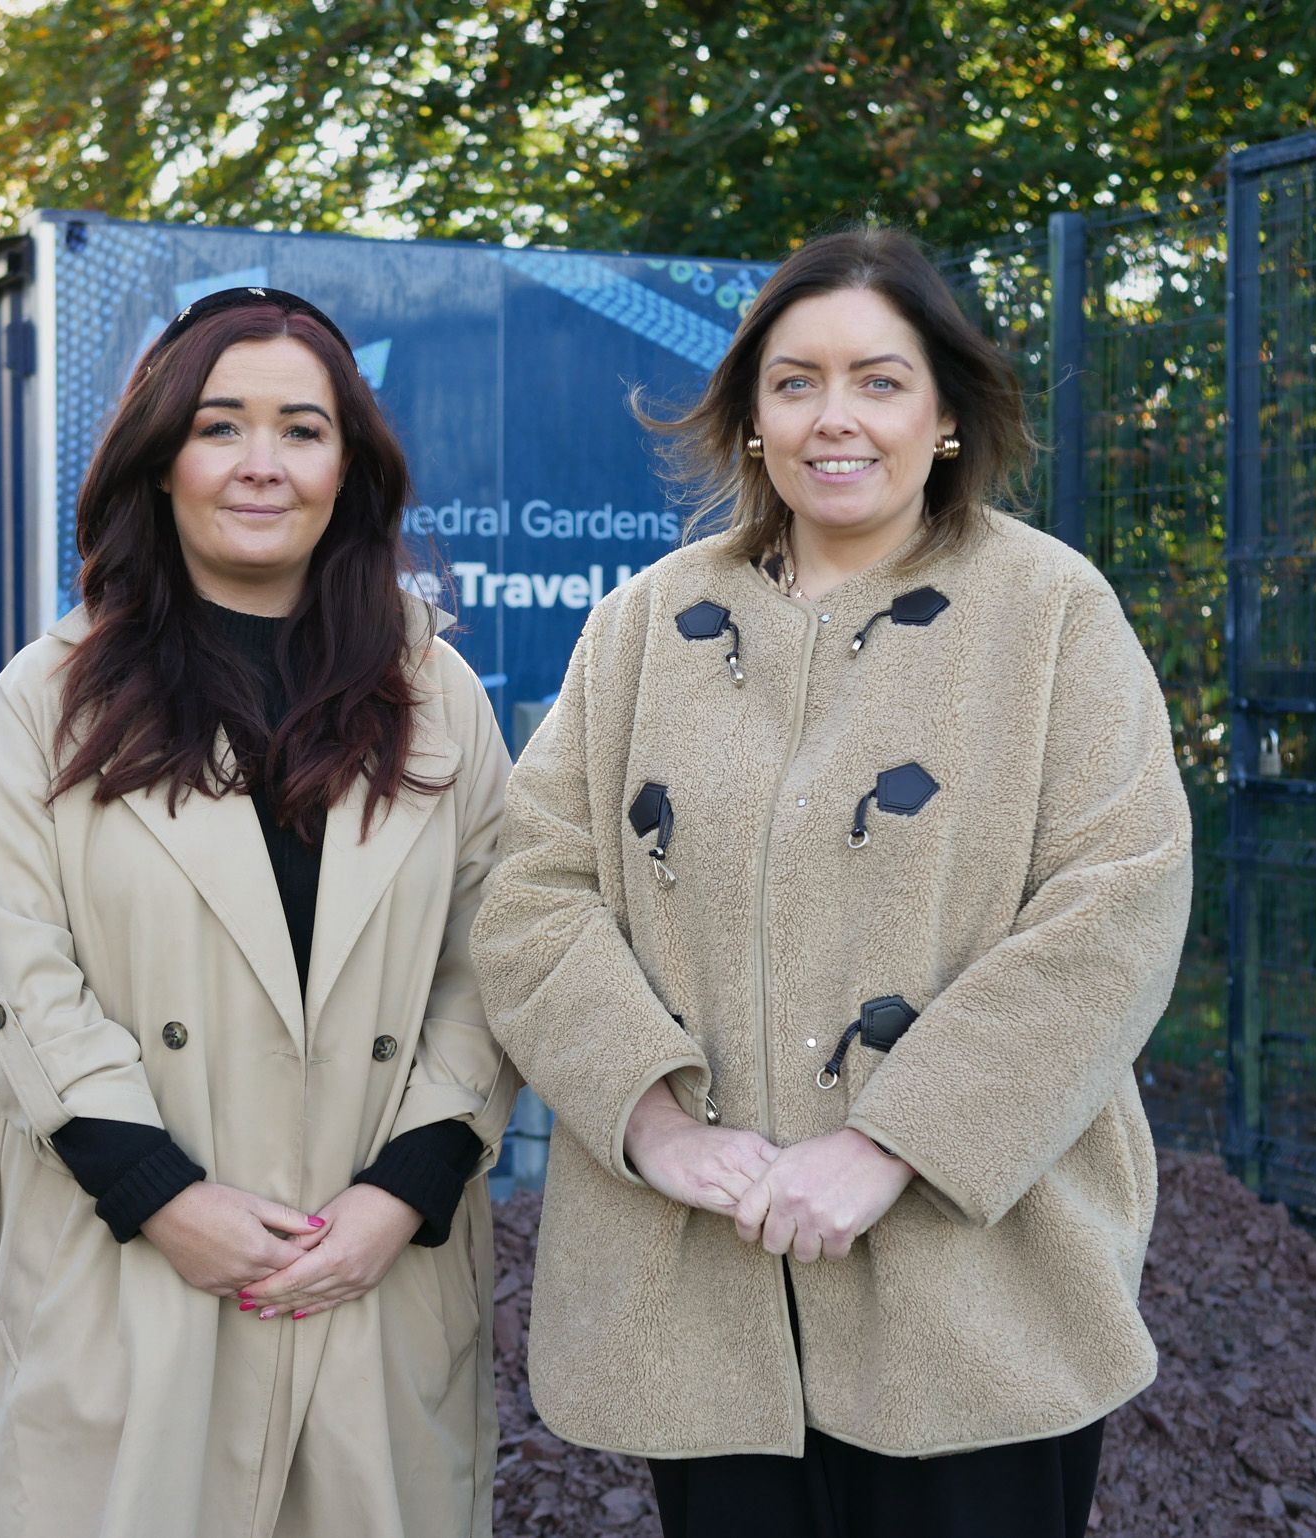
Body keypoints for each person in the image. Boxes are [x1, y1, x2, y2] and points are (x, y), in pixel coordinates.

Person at [470, 227, 1192, 1538]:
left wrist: (891, 1143)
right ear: (751, 416)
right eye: (794, 381)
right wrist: (656, 1125)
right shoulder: (642, 624)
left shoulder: (1050, 612)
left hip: (975, 1302)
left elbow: (1116, 907)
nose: (833, 416)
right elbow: (533, 893)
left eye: (878, 379)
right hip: (701, 1288)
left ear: (946, 415)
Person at [0, 287, 518, 1538]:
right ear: (160, 461)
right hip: (129, 1258)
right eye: (219, 425)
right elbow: (13, 972)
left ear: (347, 468)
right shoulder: (50, 696)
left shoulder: (437, 696)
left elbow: (494, 960)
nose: (262, 463)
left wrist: (402, 1191)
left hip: (370, 1261)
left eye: (301, 429)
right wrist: (160, 1193)